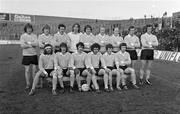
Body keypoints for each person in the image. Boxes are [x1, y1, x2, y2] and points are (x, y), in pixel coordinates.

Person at [20, 23, 38, 89]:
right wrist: (31, 44)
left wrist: (28, 43)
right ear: (26, 29)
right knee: (27, 70)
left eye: (30, 28)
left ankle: (34, 83)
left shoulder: (35, 35)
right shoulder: (23, 36)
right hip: (26, 55)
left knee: (34, 70)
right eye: (28, 29)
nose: (29, 30)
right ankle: (28, 83)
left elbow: (36, 44)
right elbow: (22, 45)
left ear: (31, 29)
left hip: (33, 54)